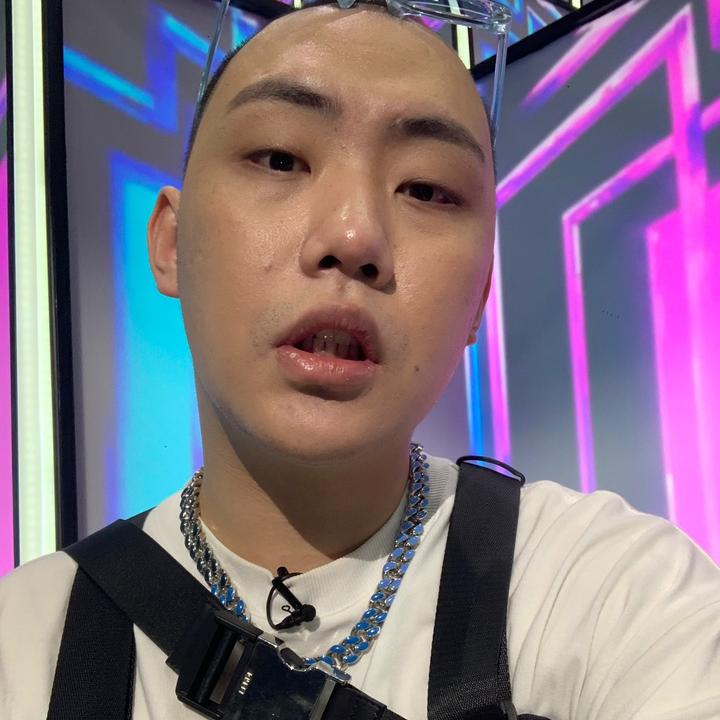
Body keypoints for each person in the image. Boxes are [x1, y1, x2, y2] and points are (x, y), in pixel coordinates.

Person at [1, 3, 719, 719]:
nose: (352, 236)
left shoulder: (613, 595)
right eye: (280, 158)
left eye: (427, 189)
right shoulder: (25, 645)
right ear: (170, 243)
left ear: (479, 298)